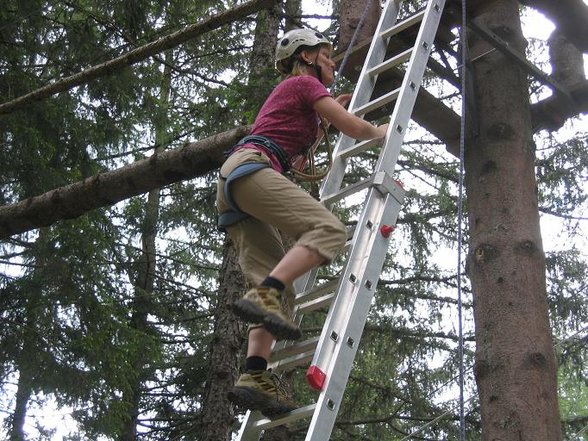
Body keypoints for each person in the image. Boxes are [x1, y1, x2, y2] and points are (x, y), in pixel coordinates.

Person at [216, 28, 388, 418]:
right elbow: (356, 129)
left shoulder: (298, 98)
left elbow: (295, 160)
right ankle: (267, 292)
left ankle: (254, 373)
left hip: (238, 182)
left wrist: (323, 120)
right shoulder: (301, 84)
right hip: (250, 169)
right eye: (326, 56)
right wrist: (379, 131)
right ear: (307, 57)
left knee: (279, 294)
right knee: (328, 230)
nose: (331, 62)